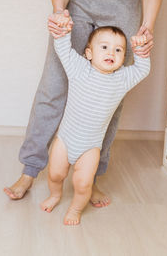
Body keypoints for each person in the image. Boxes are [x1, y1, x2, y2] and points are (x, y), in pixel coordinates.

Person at [4, 0, 163, 206]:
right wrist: (59, 11)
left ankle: (91, 178)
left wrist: (148, 26)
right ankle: (29, 171)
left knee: (110, 96)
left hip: (125, 2)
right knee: (52, 87)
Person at [41, 19, 150, 225]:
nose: (111, 53)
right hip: (65, 139)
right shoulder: (79, 69)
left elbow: (142, 70)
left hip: (90, 146)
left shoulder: (122, 79)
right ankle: (55, 195)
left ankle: (75, 208)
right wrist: (63, 31)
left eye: (119, 50)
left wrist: (141, 50)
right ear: (89, 53)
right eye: (105, 47)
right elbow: (63, 49)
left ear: (124, 57)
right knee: (55, 174)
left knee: (83, 184)